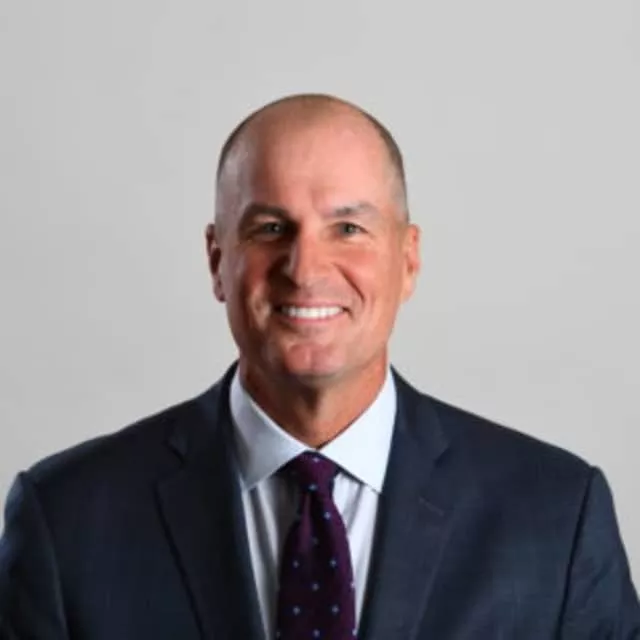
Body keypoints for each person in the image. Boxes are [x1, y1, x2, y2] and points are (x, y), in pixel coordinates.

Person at [0, 93, 638, 640]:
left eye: (349, 229)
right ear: (217, 260)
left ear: (408, 259)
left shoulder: (556, 518)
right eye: (270, 228)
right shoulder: (66, 520)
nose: (305, 269)